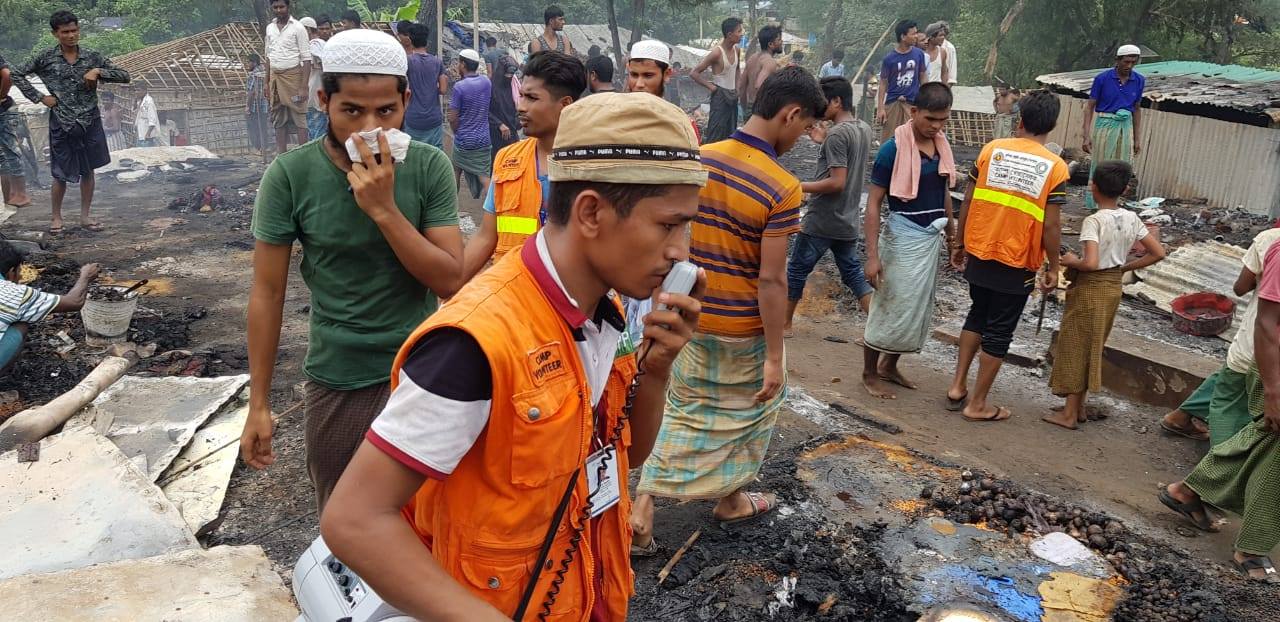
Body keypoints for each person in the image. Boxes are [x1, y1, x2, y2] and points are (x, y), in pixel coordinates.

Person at [321, 92, 705, 620]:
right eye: (668, 225)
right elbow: (355, 519)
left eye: (687, 227)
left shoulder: (606, 310)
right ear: (591, 211)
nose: (681, 250)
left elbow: (624, 455)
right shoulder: (474, 343)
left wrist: (655, 371)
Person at [240, 29, 464, 513]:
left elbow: (449, 279)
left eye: (386, 111)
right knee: (345, 520)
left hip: (421, 374)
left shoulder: (428, 167)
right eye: (351, 111)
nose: (369, 126)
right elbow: (267, 292)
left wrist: (384, 209)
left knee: (427, 523)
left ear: (406, 100)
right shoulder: (290, 176)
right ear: (323, 100)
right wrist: (259, 403)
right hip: (339, 376)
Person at [632, 67, 825, 554]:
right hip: (742, 330)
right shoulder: (782, 187)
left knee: (683, 410)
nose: (801, 137)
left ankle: (650, 507)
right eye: (803, 128)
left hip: (690, 314)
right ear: (791, 113)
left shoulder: (701, 159)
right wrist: (776, 355)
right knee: (753, 415)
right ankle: (724, 502)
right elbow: (772, 278)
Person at [1158, 240, 1280, 584]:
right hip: (1274, 369)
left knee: (1263, 440)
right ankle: (1252, 546)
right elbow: (1267, 323)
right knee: (1273, 452)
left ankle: (1187, 490)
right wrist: (1273, 390)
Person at [947, 90, 1070, 422]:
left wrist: (959, 243)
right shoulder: (1055, 168)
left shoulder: (992, 149)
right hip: (1017, 260)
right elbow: (1052, 226)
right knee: (1000, 330)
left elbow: (968, 201)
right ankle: (977, 404)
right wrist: (1054, 267)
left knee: (977, 314)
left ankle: (958, 386)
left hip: (980, 249)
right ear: (1053, 124)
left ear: (1020, 119)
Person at [1043, 161, 1165, 429]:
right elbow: (1158, 252)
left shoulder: (1094, 220)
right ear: (1125, 189)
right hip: (1112, 287)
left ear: (1093, 187)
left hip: (1091, 288)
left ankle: (1068, 415)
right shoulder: (1132, 218)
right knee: (1093, 344)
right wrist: (1125, 267)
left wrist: (1071, 261)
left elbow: (1090, 263)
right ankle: (1079, 407)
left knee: (1076, 346)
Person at [860, 82, 956, 399]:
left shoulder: (941, 145)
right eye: (930, 119)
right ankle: (869, 372)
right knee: (889, 304)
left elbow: (944, 191)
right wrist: (872, 257)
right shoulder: (893, 149)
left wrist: (952, 229)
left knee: (916, 307)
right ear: (914, 112)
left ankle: (890, 365)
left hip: (931, 238)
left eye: (943, 120)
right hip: (902, 238)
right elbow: (873, 203)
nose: (936, 126)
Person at [461, 51, 585, 283]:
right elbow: (486, 237)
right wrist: (450, 287)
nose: (520, 106)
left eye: (532, 98)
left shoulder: (593, 165)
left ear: (565, 105)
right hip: (512, 293)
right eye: (521, 96)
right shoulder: (508, 159)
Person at [10, 10, 130, 235]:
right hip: (62, 122)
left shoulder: (92, 57)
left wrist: (97, 71)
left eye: (74, 30)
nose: (71, 35)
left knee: (89, 170)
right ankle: (56, 217)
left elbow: (124, 75)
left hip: (89, 120)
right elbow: (16, 74)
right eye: (65, 32)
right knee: (60, 174)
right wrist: (40, 97)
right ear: (55, 33)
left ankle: (85, 216)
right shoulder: (45, 57)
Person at [1162, 225, 1280, 444]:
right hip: (1264, 344)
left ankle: (1181, 418)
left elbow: (1240, 287)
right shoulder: (1274, 243)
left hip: (1253, 341)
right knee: (1231, 401)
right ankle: (1215, 468)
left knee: (1230, 381)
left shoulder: (1268, 239)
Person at [786, 76, 875, 330]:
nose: (817, 107)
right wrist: (823, 141)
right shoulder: (863, 128)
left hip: (823, 219)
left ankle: (784, 323)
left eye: (822, 101)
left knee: (796, 270)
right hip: (847, 220)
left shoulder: (837, 135)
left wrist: (795, 185)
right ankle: (877, 331)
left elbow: (836, 182)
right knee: (854, 275)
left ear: (836, 101)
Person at [0, 242, 99, 373]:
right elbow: (75, 302)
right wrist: (85, 276)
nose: (21, 276)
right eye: (19, 271)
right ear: (11, 271)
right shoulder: (14, 292)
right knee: (21, 325)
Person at [1082, 44, 1144, 210]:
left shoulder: (1139, 80)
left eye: (1133, 62)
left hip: (1126, 126)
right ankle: (1095, 203)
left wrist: (1137, 138)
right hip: (1105, 125)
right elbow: (1089, 107)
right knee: (1101, 165)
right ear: (1117, 60)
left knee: (1121, 166)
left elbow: (1137, 109)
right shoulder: (1102, 79)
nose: (1129, 65)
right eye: (1126, 61)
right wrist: (1086, 135)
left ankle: (1113, 202)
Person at [264, 0, 312, 155]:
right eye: (275, 7)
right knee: (278, 116)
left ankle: (302, 154)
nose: (279, 10)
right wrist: (266, 82)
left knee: (299, 115)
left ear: (288, 7)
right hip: (275, 77)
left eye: (281, 7)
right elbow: (268, 57)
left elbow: (306, 59)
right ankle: (281, 155)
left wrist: (304, 86)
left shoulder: (298, 28)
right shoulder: (270, 28)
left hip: (293, 77)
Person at [691, 17, 744, 144]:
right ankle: (710, 158)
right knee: (716, 129)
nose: (742, 34)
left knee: (730, 129)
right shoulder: (717, 53)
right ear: (729, 35)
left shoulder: (737, 50)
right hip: (720, 96)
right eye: (739, 31)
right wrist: (712, 87)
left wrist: (737, 87)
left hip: (732, 95)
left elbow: (737, 70)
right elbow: (694, 73)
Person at [448, 48, 492, 200]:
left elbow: (452, 118)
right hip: (484, 139)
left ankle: (451, 208)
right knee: (485, 176)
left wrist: (457, 132)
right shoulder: (486, 82)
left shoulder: (459, 87)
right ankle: (495, 211)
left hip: (464, 141)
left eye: (459, 63)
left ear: (463, 64)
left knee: (455, 171)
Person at [875, 20, 928, 143]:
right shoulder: (889, 59)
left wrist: (925, 99)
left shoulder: (919, 54)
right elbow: (883, 83)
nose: (916, 36)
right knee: (889, 139)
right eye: (913, 34)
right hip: (893, 102)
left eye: (916, 33)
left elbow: (923, 77)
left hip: (912, 103)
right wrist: (881, 108)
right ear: (903, 37)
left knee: (911, 139)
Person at [403, 23, 448, 150]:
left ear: (411, 40)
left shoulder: (408, 61)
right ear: (426, 41)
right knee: (435, 156)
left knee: (413, 153)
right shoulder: (437, 62)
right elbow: (443, 90)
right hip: (433, 118)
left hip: (413, 117)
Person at [0, 54, 32, 208]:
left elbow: (7, 75)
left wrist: (2, 95)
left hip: (3, 110)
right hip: (5, 110)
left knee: (10, 152)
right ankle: (10, 197)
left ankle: (21, 194)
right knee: (4, 156)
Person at [741, 25, 783, 116]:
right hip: (761, 111)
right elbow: (759, 85)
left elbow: (742, 86)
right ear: (771, 44)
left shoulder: (752, 58)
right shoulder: (769, 62)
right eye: (779, 40)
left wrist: (745, 108)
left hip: (750, 107)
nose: (781, 42)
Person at [302, 16, 332, 141]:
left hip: (316, 94)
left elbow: (323, 60)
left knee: (317, 135)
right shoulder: (323, 44)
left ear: (307, 30)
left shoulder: (314, 44)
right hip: (318, 94)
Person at [487, 51, 520, 159]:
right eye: (507, 74)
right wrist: (499, 124)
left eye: (511, 75)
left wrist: (517, 122)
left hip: (512, 133)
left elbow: (519, 106)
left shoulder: (514, 86)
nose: (509, 77)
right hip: (496, 134)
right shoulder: (491, 87)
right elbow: (485, 110)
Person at [244, 54, 271, 155]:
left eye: (249, 62)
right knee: (263, 126)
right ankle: (265, 147)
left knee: (253, 127)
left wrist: (247, 106)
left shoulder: (253, 74)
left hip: (255, 106)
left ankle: (257, 148)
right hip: (265, 105)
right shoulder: (265, 72)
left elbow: (251, 92)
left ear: (254, 62)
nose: (247, 64)